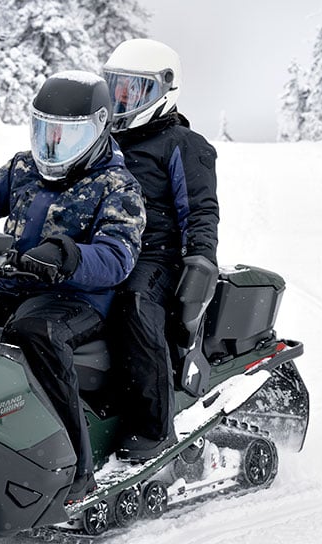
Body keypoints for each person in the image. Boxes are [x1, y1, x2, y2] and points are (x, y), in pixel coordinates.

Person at [0, 71, 146, 502]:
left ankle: (75, 473)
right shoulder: (23, 168)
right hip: (11, 286)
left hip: (75, 298)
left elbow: (117, 256)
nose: (53, 145)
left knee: (33, 334)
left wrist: (67, 257)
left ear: (99, 129)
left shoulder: (117, 185)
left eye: (67, 135)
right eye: (46, 131)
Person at [101, 38, 221, 460]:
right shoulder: (101, 141)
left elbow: (201, 210)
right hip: (108, 247)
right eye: (115, 88)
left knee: (134, 303)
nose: (121, 100)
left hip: (158, 256)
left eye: (132, 91)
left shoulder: (181, 144)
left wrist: (201, 261)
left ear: (164, 92)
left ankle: (154, 426)